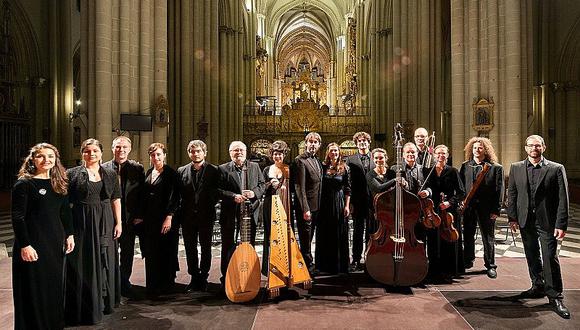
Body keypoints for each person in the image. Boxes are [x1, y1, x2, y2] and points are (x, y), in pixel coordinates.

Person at [11, 143, 75, 330]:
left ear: (56, 160)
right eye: (41, 156)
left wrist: (70, 234)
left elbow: (65, 212)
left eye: (51, 156)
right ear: (32, 159)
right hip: (32, 244)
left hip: (54, 244)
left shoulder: (59, 182)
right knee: (33, 288)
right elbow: (18, 216)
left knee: (53, 287)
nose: (46, 160)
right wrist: (25, 245)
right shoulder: (24, 184)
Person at [507, 135, 571, 319]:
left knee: (550, 257)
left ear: (544, 147)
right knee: (532, 254)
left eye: (537, 145)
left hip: (548, 222)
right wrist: (512, 217)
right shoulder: (516, 167)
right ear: (525, 148)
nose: (534, 148)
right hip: (525, 220)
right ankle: (538, 285)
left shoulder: (556, 169)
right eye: (530, 145)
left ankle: (555, 296)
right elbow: (512, 193)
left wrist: (561, 223)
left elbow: (563, 198)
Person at [65, 138, 122, 325]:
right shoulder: (72, 174)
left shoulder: (111, 173)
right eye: (87, 151)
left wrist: (118, 223)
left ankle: (105, 301)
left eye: (95, 151)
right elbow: (65, 203)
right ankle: (85, 303)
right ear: (82, 153)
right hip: (81, 220)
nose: (91, 154)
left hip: (105, 219)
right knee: (84, 260)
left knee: (105, 259)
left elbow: (116, 199)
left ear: (101, 153)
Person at [218, 141, 265, 286]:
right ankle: (226, 277)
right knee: (228, 245)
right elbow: (217, 190)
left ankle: (249, 275)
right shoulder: (222, 169)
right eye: (235, 150)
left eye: (241, 150)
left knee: (249, 245)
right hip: (230, 213)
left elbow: (262, 185)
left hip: (250, 213)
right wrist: (233, 196)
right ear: (230, 152)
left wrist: (254, 193)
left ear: (246, 151)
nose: (238, 153)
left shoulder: (255, 166)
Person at [102, 136, 144, 297]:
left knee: (127, 253)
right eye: (118, 147)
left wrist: (139, 215)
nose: (121, 150)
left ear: (130, 149)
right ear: (112, 149)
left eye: (125, 147)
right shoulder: (103, 168)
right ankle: (110, 283)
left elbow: (142, 194)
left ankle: (124, 282)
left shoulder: (137, 168)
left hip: (129, 218)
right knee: (109, 252)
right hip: (109, 219)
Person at [177, 140, 219, 292]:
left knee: (206, 247)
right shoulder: (181, 170)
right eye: (192, 151)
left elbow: (217, 191)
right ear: (189, 153)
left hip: (206, 215)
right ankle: (194, 277)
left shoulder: (214, 170)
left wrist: (208, 204)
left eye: (198, 151)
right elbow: (179, 193)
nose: (195, 154)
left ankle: (204, 277)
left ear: (204, 152)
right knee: (190, 248)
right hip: (187, 216)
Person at [459, 137, 504, 279]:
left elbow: (499, 190)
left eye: (480, 148)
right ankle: (468, 261)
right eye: (474, 148)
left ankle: (490, 265)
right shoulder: (465, 166)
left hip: (487, 208)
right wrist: (461, 203)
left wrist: (496, 210)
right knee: (468, 235)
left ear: (486, 150)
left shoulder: (495, 167)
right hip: (469, 207)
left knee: (488, 237)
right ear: (470, 149)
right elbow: (461, 187)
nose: (477, 150)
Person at [142, 143, 180, 297]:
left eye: (158, 154)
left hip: (166, 219)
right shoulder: (149, 172)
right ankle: (152, 285)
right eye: (153, 155)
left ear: (164, 155)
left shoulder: (171, 174)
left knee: (167, 251)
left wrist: (169, 217)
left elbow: (175, 197)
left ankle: (167, 285)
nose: (156, 157)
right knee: (151, 251)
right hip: (151, 220)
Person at [423, 145, 465, 282]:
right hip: (433, 210)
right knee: (433, 241)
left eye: (443, 153)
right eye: (438, 153)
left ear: (447, 155)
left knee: (447, 241)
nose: (441, 156)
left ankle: (448, 271)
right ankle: (433, 270)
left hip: (448, 211)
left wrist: (449, 203)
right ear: (434, 155)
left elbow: (461, 193)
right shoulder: (428, 171)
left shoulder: (453, 171)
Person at [315, 143, 351, 274]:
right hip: (324, 203)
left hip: (339, 201)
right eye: (331, 151)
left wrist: (347, 205)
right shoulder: (322, 167)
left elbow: (348, 188)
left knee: (338, 232)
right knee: (324, 233)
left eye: (336, 151)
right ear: (328, 153)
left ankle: (339, 265)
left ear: (339, 152)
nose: (334, 153)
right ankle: (323, 265)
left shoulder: (345, 168)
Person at [293, 132, 323, 273]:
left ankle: (308, 264)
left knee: (312, 237)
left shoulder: (317, 160)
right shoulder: (300, 160)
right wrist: (305, 208)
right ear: (305, 143)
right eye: (310, 142)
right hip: (307, 207)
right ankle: (305, 267)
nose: (312, 144)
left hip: (317, 206)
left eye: (315, 142)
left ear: (319, 145)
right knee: (305, 238)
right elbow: (300, 187)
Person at [345, 132, 374, 272]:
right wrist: (349, 202)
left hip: (374, 201)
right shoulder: (350, 160)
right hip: (357, 201)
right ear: (356, 144)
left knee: (372, 230)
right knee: (357, 231)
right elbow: (348, 182)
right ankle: (356, 259)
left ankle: (369, 257)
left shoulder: (376, 157)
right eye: (360, 141)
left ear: (369, 143)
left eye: (365, 141)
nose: (362, 143)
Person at [261, 140, 291, 276]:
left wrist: (285, 187)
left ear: (284, 155)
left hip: (285, 204)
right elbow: (261, 187)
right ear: (271, 155)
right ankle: (269, 267)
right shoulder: (267, 169)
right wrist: (269, 183)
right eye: (275, 154)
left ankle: (284, 264)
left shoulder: (288, 169)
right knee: (270, 235)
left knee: (284, 234)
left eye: (279, 154)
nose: (277, 157)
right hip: (269, 204)